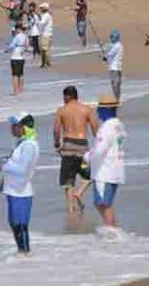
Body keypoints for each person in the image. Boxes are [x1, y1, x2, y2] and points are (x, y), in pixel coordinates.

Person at [0, 112, 39, 255]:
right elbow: (13, 163)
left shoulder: (29, 146)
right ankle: (22, 255)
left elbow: (22, 169)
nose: (12, 128)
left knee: (20, 225)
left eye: (15, 125)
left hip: (21, 191)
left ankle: (25, 255)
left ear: (24, 127)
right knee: (14, 224)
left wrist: (0, 166)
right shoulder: (22, 144)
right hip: (12, 190)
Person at [54, 86, 99, 214]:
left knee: (68, 181)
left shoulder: (62, 111)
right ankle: (79, 192)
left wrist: (57, 144)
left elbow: (56, 130)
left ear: (67, 96)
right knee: (90, 175)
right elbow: (96, 130)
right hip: (82, 148)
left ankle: (71, 209)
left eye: (64, 97)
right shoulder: (87, 110)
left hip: (68, 147)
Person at [83, 95, 126, 228]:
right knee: (105, 204)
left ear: (105, 110)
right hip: (116, 170)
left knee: (102, 203)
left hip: (104, 172)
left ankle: (111, 232)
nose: (98, 112)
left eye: (99, 110)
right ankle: (113, 229)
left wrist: (87, 157)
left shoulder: (106, 128)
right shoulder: (119, 125)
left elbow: (99, 151)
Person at [5, 23, 28, 95]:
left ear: (18, 29)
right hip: (22, 57)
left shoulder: (17, 36)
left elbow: (12, 45)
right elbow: (27, 46)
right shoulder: (25, 36)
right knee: (21, 74)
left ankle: (15, 91)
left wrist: (7, 50)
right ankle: (21, 89)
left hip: (15, 57)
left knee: (14, 75)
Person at [104, 30, 124, 100]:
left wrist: (105, 56)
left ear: (115, 37)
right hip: (114, 68)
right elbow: (110, 52)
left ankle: (117, 99)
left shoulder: (117, 46)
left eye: (112, 37)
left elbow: (110, 54)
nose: (111, 38)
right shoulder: (117, 45)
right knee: (115, 84)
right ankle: (117, 98)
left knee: (115, 84)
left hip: (114, 68)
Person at [38, 3, 53, 68]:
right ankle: (46, 62)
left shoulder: (45, 16)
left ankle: (46, 63)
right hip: (47, 34)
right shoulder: (48, 15)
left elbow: (42, 23)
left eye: (42, 8)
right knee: (46, 49)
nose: (40, 9)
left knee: (44, 49)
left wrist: (37, 22)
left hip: (45, 34)